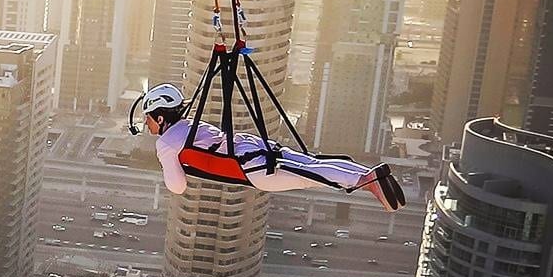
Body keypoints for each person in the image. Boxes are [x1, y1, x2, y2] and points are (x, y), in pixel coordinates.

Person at [141, 84, 405, 211]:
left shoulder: (166, 143)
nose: (147, 124)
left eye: (148, 118)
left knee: (309, 178)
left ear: (160, 117)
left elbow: (177, 186)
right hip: (257, 147)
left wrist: (166, 160)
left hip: (253, 168)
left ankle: (366, 180)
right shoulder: (189, 126)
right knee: (311, 165)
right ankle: (369, 174)